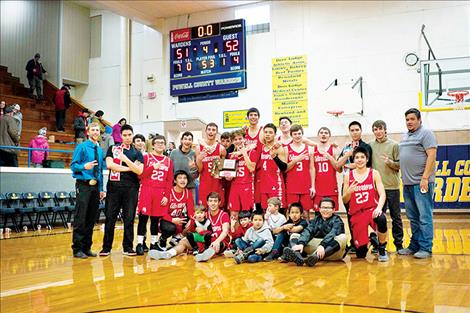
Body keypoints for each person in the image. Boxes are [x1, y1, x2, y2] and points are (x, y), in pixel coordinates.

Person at [398, 108, 437, 259]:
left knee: (424, 216)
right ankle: (415, 245)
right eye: (407, 119)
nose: (409, 122)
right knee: (413, 217)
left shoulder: (426, 134)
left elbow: (432, 156)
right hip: (407, 184)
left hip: (421, 183)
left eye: (412, 119)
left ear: (419, 120)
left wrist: (425, 177)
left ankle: (426, 247)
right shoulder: (405, 136)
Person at [100, 124, 144, 256]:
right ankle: (106, 247)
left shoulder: (137, 152)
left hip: (131, 189)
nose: (127, 137)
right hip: (114, 189)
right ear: (121, 136)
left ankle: (128, 247)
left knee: (129, 218)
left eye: (129, 135)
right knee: (110, 218)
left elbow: (139, 170)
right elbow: (110, 165)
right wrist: (131, 167)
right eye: (125, 135)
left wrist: (124, 160)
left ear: (132, 135)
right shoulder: (113, 148)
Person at [149, 192, 230, 262]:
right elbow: (190, 230)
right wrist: (189, 230)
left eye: (215, 201)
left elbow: (225, 231)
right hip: (203, 242)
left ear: (219, 202)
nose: (213, 203)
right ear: (207, 202)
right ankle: (168, 254)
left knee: (215, 245)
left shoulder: (224, 215)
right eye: (211, 201)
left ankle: (204, 256)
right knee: (184, 241)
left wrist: (217, 241)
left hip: (218, 242)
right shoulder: (203, 215)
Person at [342, 147, 389, 262]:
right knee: (361, 254)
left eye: (362, 157)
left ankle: (382, 247)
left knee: (381, 218)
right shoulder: (348, 176)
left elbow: (382, 194)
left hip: (372, 210)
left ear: (367, 159)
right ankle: (372, 239)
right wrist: (348, 191)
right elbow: (344, 200)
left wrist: (379, 208)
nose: (359, 160)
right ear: (353, 160)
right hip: (357, 214)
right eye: (357, 157)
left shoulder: (374, 173)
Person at [70, 123, 105, 258]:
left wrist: (101, 189)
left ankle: (87, 247)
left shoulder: (99, 150)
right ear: (88, 132)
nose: (96, 132)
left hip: (95, 186)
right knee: (81, 217)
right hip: (83, 185)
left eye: (97, 130)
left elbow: (100, 171)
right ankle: (77, 248)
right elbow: (73, 166)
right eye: (93, 130)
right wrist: (84, 166)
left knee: (91, 218)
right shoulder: (82, 147)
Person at [337, 121, 373, 251]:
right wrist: (346, 156)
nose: (354, 132)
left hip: (362, 185)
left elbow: (366, 165)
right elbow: (337, 167)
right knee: (350, 214)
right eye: (352, 130)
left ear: (361, 130)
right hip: (347, 184)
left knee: (364, 214)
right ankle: (354, 242)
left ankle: (371, 238)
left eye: (357, 129)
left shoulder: (366, 146)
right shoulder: (346, 147)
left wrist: (347, 165)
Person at [135, 135, 174, 254]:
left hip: (160, 192)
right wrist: (153, 168)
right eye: (157, 143)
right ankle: (140, 243)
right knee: (143, 218)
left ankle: (153, 243)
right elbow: (140, 175)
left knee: (155, 219)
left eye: (162, 143)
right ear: (152, 145)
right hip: (147, 190)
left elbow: (169, 180)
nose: (160, 145)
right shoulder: (146, 157)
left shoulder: (168, 161)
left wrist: (166, 196)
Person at [369, 120, 404, 252]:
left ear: (385, 130)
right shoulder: (370, 145)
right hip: (377, 189)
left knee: (396, 217)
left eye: (380, 129)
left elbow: (400, 164)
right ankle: (379, 244)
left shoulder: (395, 145)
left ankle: (399, 245)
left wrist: (390, 162)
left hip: (392, 187)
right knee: (378, 217)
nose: (378, 131)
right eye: (375, 129)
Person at [285, 197, 347, 267]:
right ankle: (299, 257)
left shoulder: (337, 221)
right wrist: (301, 243)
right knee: (295, 236)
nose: (325, 210)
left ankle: (315, 257)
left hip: (332, 252)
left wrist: (322, 245)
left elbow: (332, 234)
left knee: (343, 237)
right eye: (323, 207)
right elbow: (308, 231)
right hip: (315, 250)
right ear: (319, 209)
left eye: (328, 208)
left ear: (333, 210)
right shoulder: (316, 220)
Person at [226, 129, 257, 220]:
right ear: (232, 141)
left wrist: (244, 153)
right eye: (235, 139)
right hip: (235, 186)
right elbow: (229, 178)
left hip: (247, 186)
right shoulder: (230, 155)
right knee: (233, 214)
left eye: (240, 138)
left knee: (246, 215)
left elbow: (252, 169)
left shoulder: (252, 152)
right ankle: (236, 233)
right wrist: (228, 175)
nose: (238, 141)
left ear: (245, 139)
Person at [285, 124, 316, 213]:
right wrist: (295, 160)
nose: (297, 136)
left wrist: (313, 186)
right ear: (291, 135)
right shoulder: (286, 149)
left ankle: (307, 227)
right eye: (295, 134)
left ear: (302, 134)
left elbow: (312, 168)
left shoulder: (309, 149)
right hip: (292, 186)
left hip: (305, 185)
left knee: (306, 213)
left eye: (299, 133)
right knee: (292, 212)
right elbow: (285, 169)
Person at [195, 123, 226, 207]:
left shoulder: (221, 149)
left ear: (216, 132)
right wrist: (199, 159)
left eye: (213, 130)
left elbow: (221, 170)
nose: (211, 132)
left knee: (218, 208)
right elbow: (200, 170)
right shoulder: (198, 148)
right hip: (204, 183)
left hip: (217, 183)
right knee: (204, 209)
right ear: (205, 131)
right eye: (209, 129)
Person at [258, 123, 288, 210]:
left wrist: (275, 157)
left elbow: (284, 168)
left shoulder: (278, 148)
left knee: (278, 212)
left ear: (275, 135)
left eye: (270, 132)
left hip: (275, 184)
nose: (267, 134)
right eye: (266, 132)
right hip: (263, 185)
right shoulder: (262, 147)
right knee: (265, 212)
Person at [313, 127, 341, 211]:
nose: (323, 134)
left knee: (332, 213)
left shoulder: (334, 149)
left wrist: (330, 157)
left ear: (329, 136)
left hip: (331, 187)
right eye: (321, 132)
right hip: (318, 188)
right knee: (318, 214)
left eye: (326, 133)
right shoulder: (313, 150)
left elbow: (339, 169)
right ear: (318, 135)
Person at [245, 108, 264, 210]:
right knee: (248, 194)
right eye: (251, 115)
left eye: (255, 115)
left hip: (259, 168)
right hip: (247, 168)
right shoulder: (244, 131)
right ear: (247, 117)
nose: (253, 117)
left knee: (259, 196)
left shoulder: (262, 131)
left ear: (258, 117)